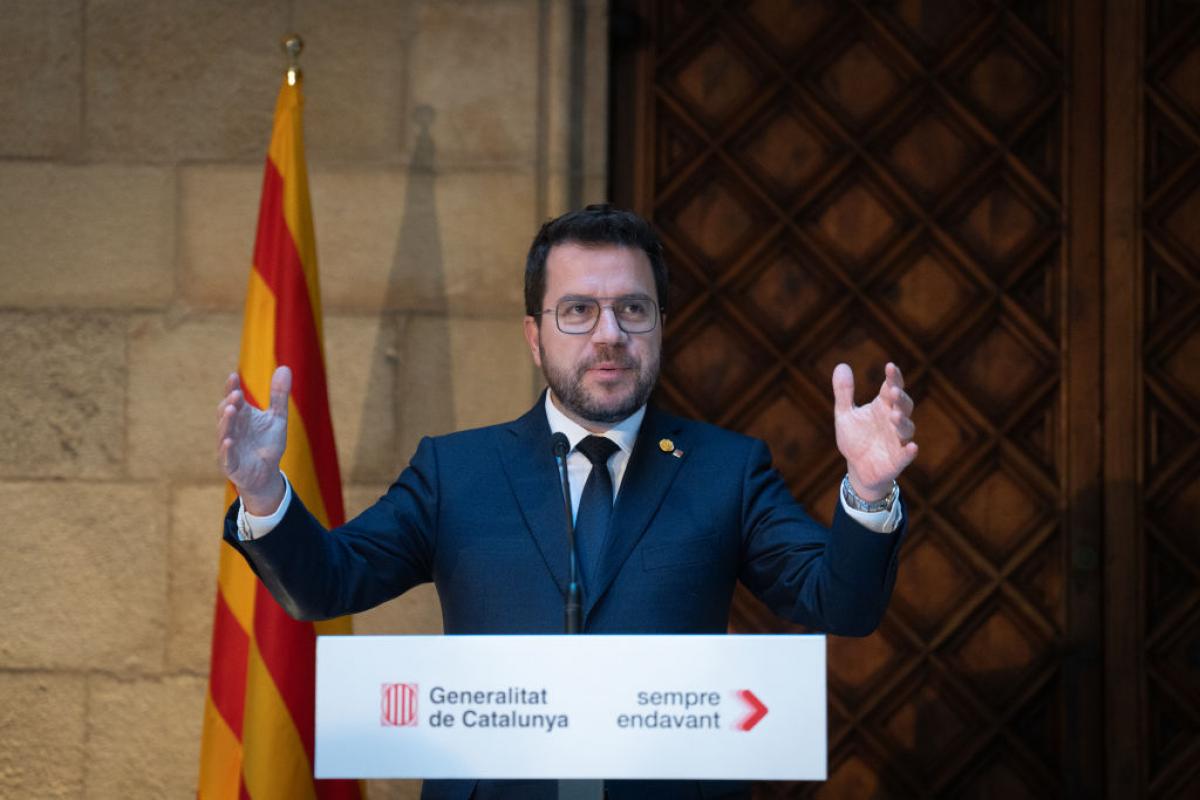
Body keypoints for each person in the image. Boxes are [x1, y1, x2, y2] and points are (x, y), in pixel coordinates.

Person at [217, 205, 917, 800]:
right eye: (579, 310)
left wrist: (870, 489)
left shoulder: (726, 471)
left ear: (660, 327)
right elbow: (326, 582)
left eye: (632, 310)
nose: (609, 333)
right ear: (534, 334)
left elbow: (841, 602)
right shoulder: (455, 472)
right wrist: (263, 493)